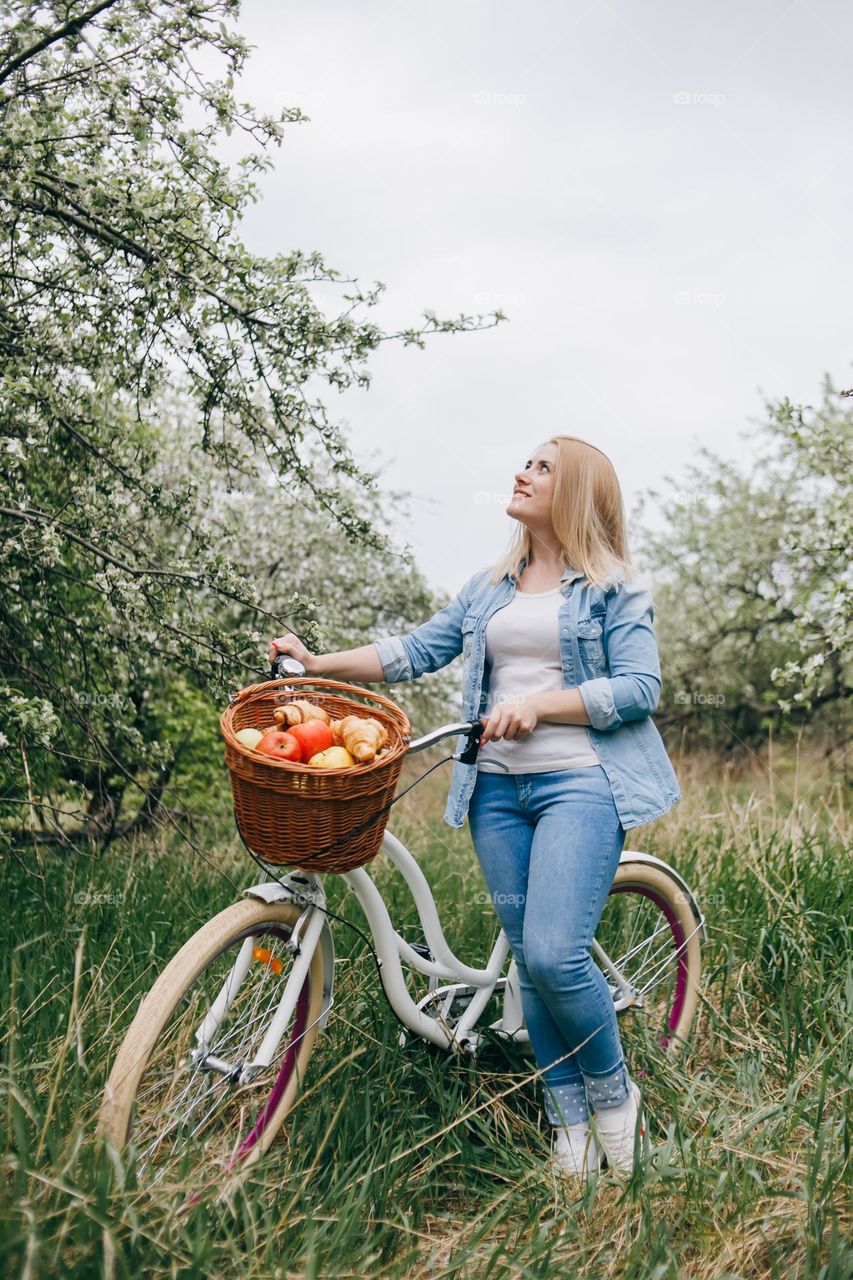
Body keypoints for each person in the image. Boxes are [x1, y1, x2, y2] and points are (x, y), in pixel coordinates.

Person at [268, 435, 681, 1184]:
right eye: (525, 461)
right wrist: (317, 662)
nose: (522, 472)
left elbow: (638, 690)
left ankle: (617, 1109)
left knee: (556, 955)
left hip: (580, 784)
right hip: (495, 791)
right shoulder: (489, 587)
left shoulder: (613, 589)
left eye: (542, 467)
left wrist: (540, 707)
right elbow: (415, 651)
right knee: (530, 960)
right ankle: (567, 1127)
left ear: (578, 492)